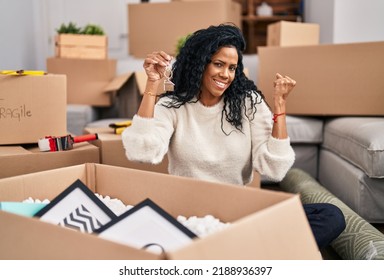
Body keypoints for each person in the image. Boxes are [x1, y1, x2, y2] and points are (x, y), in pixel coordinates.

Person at [122, 23, 345, 250]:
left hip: (238, 212)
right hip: (191, 216)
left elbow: (273, 169)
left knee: (330, 216)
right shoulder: (173, 105)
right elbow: (142, 152)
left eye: (232, 68)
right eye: (218, 64)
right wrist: (152, 84)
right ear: (200, 64)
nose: (225, 75)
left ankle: (237, 253)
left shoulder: (249, 103)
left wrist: (279, 105)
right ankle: (250, 252)